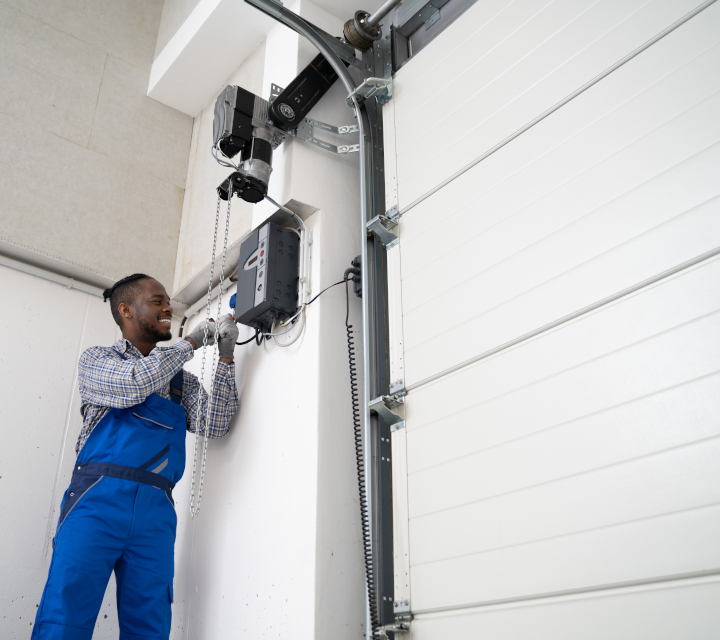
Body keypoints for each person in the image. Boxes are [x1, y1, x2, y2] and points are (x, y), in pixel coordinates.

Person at [31, 273, 239, 640]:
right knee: (65, 616)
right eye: (157, 300)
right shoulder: (98, 360)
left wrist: (225, 356)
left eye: (166, 300)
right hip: (96, 502)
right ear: (126, 310)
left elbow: (217, 422)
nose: (168, 307)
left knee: (150, 625)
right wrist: (190, 343)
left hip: (156, 512)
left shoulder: (180, 381)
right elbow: (132, 384)